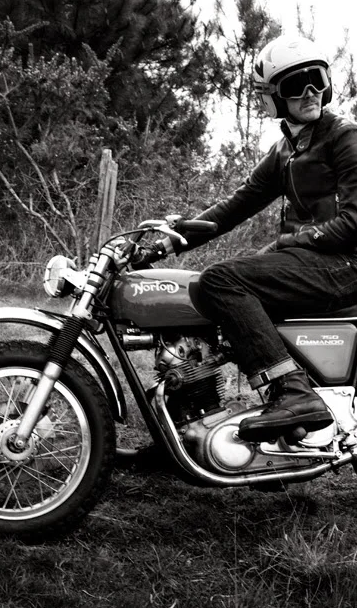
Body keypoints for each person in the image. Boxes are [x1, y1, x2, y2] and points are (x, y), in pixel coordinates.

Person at [133, 35, 357, 443]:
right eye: (297, 84)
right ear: (273, 97)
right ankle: (188, 429)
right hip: (320, 261)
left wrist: (295, 241)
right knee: (210, 289)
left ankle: (293, 392)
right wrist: (165, 242)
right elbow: (232, 208)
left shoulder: (345, 137)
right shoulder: (284, 152)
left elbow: (355, 222)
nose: (311, 91)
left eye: (318, 79)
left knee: (221, 280)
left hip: (345, 263)